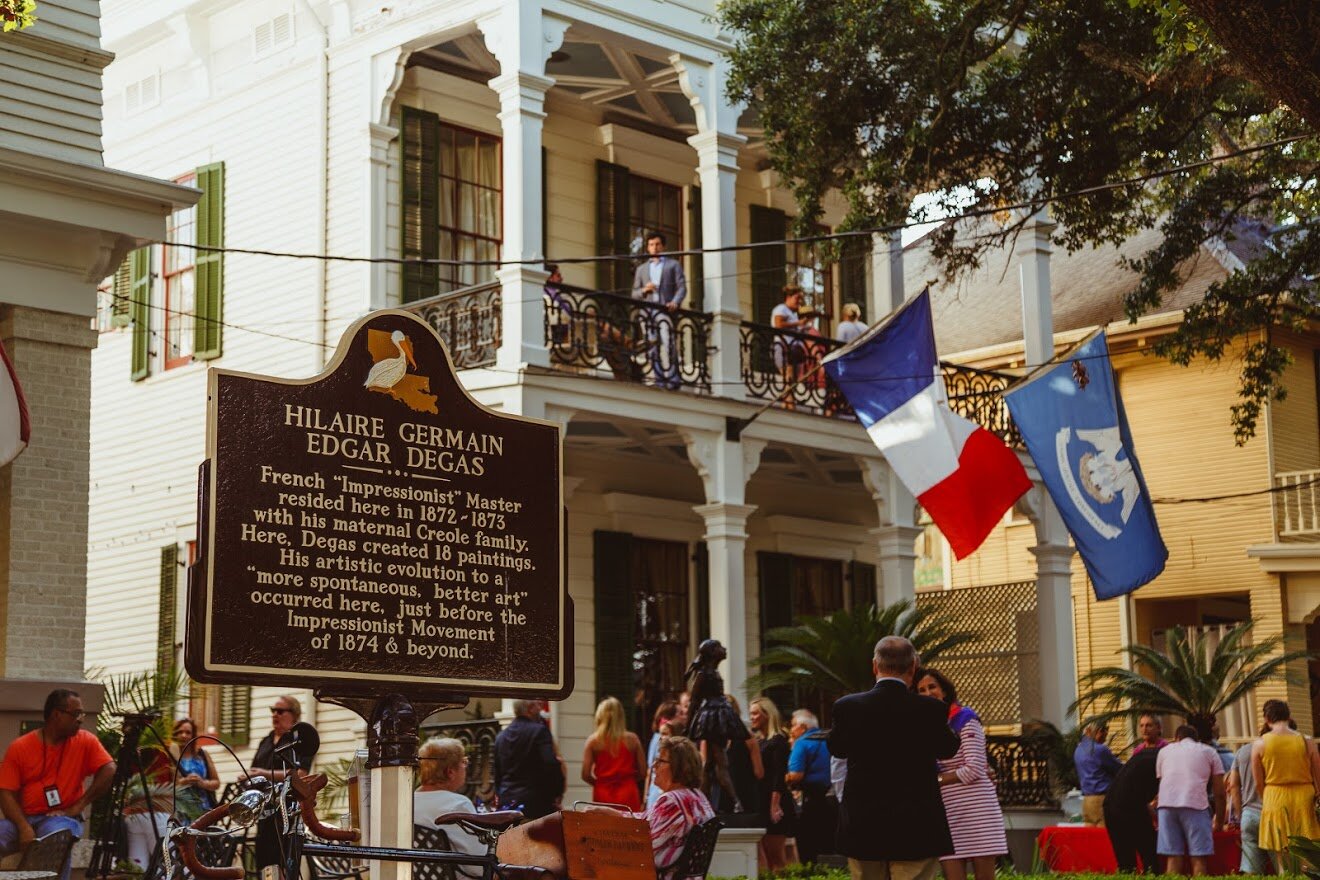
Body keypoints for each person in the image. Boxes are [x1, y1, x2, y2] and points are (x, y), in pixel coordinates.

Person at [828, 636, 960, 880]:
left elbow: (837, 749)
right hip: (916, 823)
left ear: (875, 666)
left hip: (863, 823)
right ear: (913, 667)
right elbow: (948, 748)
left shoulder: (847, 706)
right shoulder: (930, 709)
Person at [0, 689, 116, 880]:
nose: (80, 719)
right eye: (76, 714)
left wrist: (78, 806)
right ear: (56, 714)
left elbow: (109, 769)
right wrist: (23, 827)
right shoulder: (21, 747)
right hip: (24, 818)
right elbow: (5, 793)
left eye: (82, 714)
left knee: (55, 835)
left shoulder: (85, 740)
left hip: (62, 818)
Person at [915, 668, 1007, 880]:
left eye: (932, 687)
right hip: (947, 813)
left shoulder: (965, 718)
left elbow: (974, 768)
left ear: (944, 690)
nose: (928, 693)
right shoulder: (922, 727)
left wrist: (936, 780)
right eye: (921, 690)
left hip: (977, 810)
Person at [246, 694, 320, 876]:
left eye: (280, 711)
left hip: (286, 809)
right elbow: (255, 768)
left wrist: (264, 773)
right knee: (264, 860)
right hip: (264, 808)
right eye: (273, 711)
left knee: (284, 859)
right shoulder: (266, 740)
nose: (275, 715)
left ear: (293, 715)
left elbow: (301, 773)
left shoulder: (299, 740)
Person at [628, 736, 714, 880]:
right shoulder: (697, 797)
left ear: (679, 767)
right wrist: (612, 814)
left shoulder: (672, 802)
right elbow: (645, 820)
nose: (654, 766)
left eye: (660, 761)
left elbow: (644, 847)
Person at [1253, 699, 1320, 873]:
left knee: (1281, 850)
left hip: (1274, 796)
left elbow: (1258, 781)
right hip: (1304, 796)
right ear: (1289, 716)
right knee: (1307, 848)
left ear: (1267, 718)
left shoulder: (1260, 744)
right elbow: (1318, 774)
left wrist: (1265, 797)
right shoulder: (1307, 741)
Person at [684, 639, 750, 812]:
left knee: (711, 764)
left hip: (717, 715)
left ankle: (703, 805)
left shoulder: (712, 672)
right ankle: (736, 802)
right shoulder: (704, 674)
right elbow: (694, 701)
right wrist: (688, 725)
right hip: (712, 719)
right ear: (713, 652)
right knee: (721, 761)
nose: (725, 649)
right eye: (720, 647)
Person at [1155, 724, 1225, 876]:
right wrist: (1219, 820)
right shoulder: (1209, 751)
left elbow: (1163, 782)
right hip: (1195, 806)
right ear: (1197, 739)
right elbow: (1219, 792)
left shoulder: (1164, 751)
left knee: (1172, 858)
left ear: (1176, 738)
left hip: (1166, 806)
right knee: (1198, 858)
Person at [414, 737, 483, 878]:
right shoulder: (457, 805)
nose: (466, 766)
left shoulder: (409, 801)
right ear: (450, 772)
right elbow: (479, 868)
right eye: (463, 762)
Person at [630, 231, 687, 389]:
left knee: (668, 343)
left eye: (657, 244)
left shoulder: (673, 265)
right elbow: (634, 294)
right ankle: (659, 378)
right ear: (647, 247)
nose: (654, 248)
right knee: (652, 346)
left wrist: (675, 302)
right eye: (651, 245)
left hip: (664, 310)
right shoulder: (641, 269)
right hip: (647, 312)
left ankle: (674, 378)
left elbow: (682, 287)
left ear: (663, 246)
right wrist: (644, 290)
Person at [493, 698, 564, 819]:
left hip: (507, 803)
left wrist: (500, 795)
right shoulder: (539, 731)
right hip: (535, 803)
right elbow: (551, 763)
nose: (540, 708)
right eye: (538, 705)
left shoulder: (501, 736)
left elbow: (497, 772)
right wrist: (557, 793)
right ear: (530, 708)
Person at [749, 696, 796, 871]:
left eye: (755, 713)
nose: (752, 717)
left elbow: (778, 776)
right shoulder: (760, 742)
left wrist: (774, 805)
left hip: (774, 803)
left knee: (776, 859)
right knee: (765, 860)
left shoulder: (778, 741)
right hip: (761, 802)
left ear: (767, 715)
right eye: (750, 714)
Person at [1103, 740, 1162, 873]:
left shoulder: (1144, 756)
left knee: (1126, 863)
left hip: (1111, 806)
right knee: (1150, 857)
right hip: (1129, 809)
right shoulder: (1160, 761)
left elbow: (1134, 791)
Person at [785, 708, 835, 864]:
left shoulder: (802, 743)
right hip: (834, 798)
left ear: (803, 727)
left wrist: (783, 779)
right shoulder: (831, 739)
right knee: (829, 841)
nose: (791, 730)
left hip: (811, 799)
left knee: (808, 844)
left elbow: (796, 775)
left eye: (793, 725)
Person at [582, 697, 646, 811]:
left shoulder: (592, 741)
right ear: (621, 716)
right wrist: (629, 780)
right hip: (628, 791)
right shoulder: (633, 739)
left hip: (603, 792)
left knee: (604, 827)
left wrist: (600, 783)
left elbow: (585, 774)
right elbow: (642, 772)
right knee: (630, 827)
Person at [1229, 723, 1267, 874]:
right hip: (1272, 814)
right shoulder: (1276, 751)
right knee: (1284, 869)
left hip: (1249, 814)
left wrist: (1240, 815)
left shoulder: (1242, 752)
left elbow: (1233, 786)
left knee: (1251, 870)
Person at [170, 717, 220, 822]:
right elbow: (166, 786)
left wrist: (202, 783)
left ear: (193, 735)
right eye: (180, 732)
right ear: (175, 734)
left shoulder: (202, 755)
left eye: (188, 732)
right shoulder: (170, 756)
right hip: (180, 811)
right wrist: (184, 782)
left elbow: (216, 783)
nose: (184, 735)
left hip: (204, 811)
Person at [1074, 723, 1122, 826]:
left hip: (1086, 801)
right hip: (1101, 800)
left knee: (1091, 837)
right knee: (1104, 835)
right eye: (1102, 730)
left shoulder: (1078, 750)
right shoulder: (1100, 750)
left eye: (1106, 729)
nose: (1105, 733)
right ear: (1090, 731)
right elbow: (1119, 769)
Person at [722, 696, 764, 815]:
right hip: (744, 794)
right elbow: (759, 772)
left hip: (719, 796)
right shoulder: (748, 737)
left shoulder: (710, 738)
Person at [646, 701, 680, 809]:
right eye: (679, 713)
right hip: (658, 789)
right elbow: (650, 768)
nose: (683, 714)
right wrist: (646, 795)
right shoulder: (659, 740)